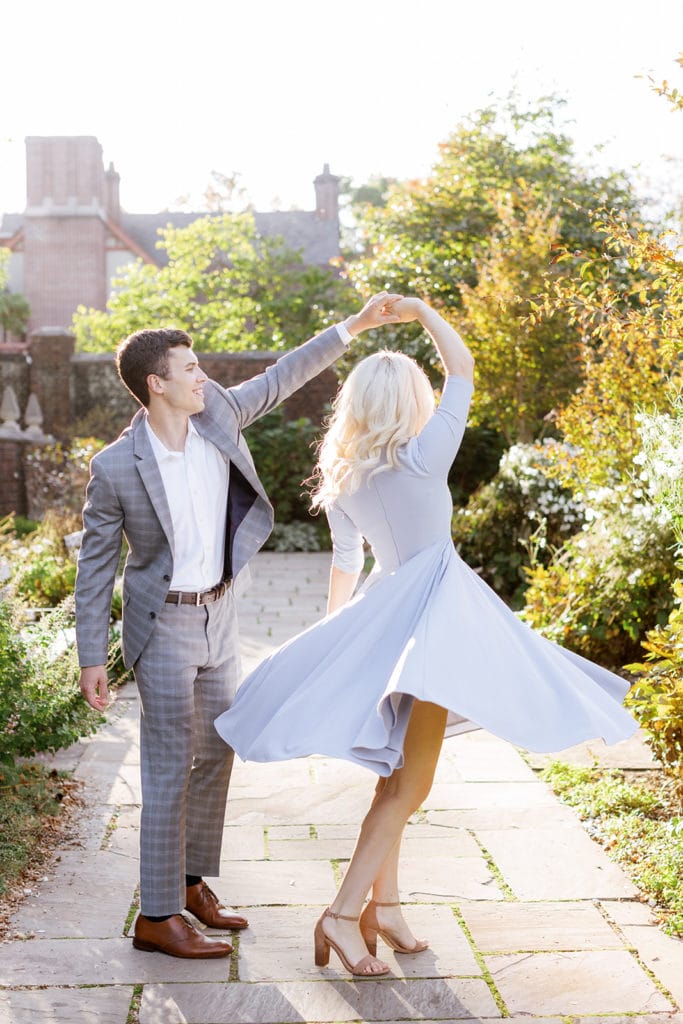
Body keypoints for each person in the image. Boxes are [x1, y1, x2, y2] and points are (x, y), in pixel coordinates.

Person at [213, 296, 639, 977]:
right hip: (436, 622)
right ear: (409, 400)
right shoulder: (421, 455)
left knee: (394, 776)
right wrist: (417, 311)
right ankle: (343, 915)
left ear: (353, 406)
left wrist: (339, 635)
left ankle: (386, 908)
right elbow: (462, 368)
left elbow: (347, 564)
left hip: (392, 616)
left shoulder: (346, 477)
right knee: (410, 785)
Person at [74, 292, 403, 960]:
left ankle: (190, 885)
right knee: (167, 764)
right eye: (188, 369)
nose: (203, 377)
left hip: (219, 615)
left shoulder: (218, 413)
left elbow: (282, 375)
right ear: (155, 384)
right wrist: (91, 657)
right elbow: (95, 566)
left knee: (218, 749)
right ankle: (157, 916)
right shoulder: (115, 467)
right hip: (162, 625)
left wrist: (355, 325)